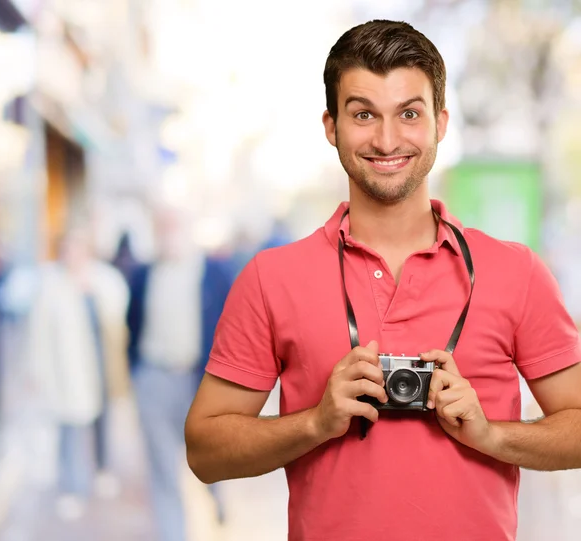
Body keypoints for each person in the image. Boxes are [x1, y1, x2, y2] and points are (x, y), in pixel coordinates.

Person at [185, 19, 581, 541]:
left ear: (441, 123)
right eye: (364, 114)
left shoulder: (516, 272)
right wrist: (316, 421)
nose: (387, 139)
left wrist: (491, 436)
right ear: (331, 127)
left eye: (409, 113)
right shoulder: (270, 278)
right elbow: (205, 454)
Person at [129, 209, 224, 541]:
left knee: (206, 453)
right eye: (162, 228)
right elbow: (133, 322)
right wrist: (135, 371)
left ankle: (216, 493)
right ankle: (173, 534)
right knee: (162, 467)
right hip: (153, 376)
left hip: (197, 380)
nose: (168, 234)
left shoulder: (211, 272)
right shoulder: (143, 274)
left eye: (174, 227)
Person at [27, 228, 130, 520]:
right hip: (68, 371)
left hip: (101, 366)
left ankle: (102, 468)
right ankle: (72, 487)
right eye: (68, 249)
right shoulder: (51, 285)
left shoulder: (103, 279)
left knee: (102, 422)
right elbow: (39, 332)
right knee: (69, 429)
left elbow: (119, 310)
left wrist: (93, 290)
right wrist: (37, 370)